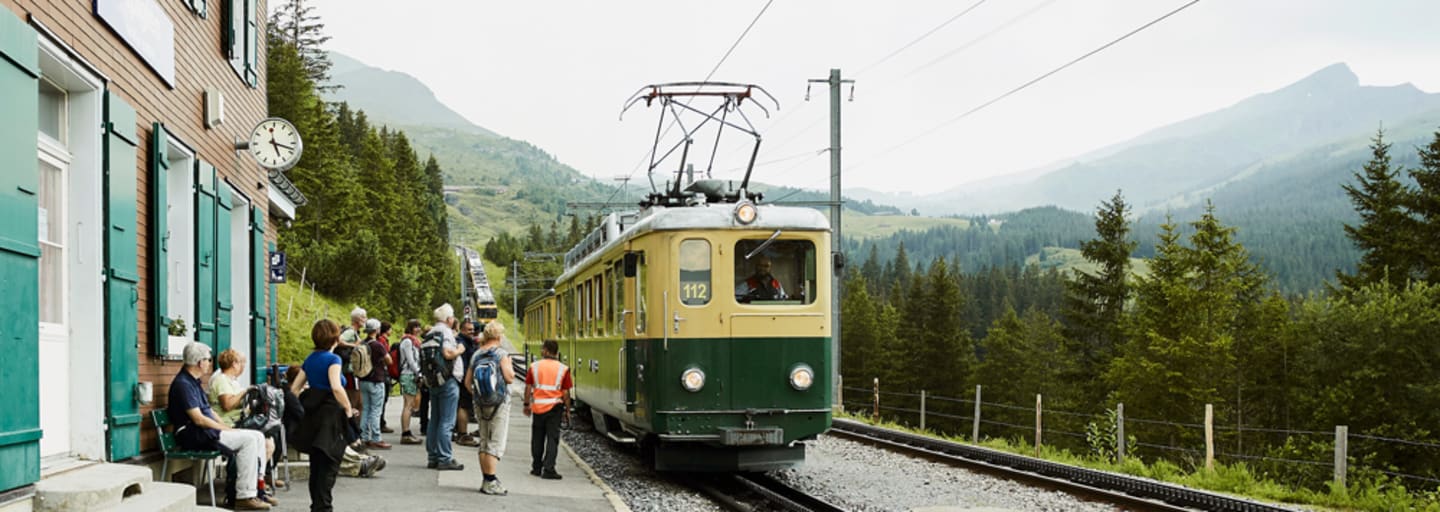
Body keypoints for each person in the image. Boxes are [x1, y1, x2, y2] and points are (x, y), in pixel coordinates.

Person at [168, 342, 272, 510]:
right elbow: (198, 419)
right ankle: (244, 496)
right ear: (200, 362)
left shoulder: (193, 381)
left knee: (258, 436)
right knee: (248, 440)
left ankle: (258, 489)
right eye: (208, 360)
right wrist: (224, 429)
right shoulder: (183, 384)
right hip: (194, 434)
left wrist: (225, 427)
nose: (210, 363)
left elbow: (209, 411)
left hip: (205, 431)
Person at [289, 319, 352, 511]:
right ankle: (324, 507)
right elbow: (336, 387)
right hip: (331, 416)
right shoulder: (333, 359)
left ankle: (316, 505)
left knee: (316, 465)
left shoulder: (310, 359)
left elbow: (294, 389)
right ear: (335, 338)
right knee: (329, 464)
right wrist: (348, 408)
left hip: (312, 415)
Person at [207, 349, 279, 486]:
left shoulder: (232, 381)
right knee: (267, 443)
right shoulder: (222, 380)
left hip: (238, 421)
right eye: (242, 362)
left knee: (271, 433)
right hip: (228, 424)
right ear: (234, 364)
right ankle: (252, 482)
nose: (243, 366)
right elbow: (227, 405)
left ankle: (256, 481)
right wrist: (245, 392)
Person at [465, 321, 516, 495]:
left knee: (484, 441)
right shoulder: (501, 353)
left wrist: (479, 396)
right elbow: (509, 378)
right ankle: (491, 481)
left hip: (480, 404)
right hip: (499, 403)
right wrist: (509, 365)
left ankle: (486, 480)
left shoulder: (477, 354)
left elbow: (467, 383)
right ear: (499, 336)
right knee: (495, 442)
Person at [425, 304, 466, 471]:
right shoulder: (446, 332)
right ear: (449, 319)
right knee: (447, 421)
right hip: (448, 380)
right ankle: (445, 458)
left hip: (434, 380)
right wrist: (460, 349)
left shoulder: (430, 332)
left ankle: (433, 456)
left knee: (435, 419)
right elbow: (448, 353)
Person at [523, 339, 572, 480]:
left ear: (546, 350)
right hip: (555, 407)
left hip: (538, 408)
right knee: (552, 438)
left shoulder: (534, 366)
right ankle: (549, 469)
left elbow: (528, 387)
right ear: (556, 352)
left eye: (542, 349)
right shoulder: (563, 369)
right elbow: (566, 392)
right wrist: (567, 410)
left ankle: (536, 468)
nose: (541, 351)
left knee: (537, 438)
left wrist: (526, 404)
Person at [359, 319, 393, 450]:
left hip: (363, 379)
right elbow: (389, 360)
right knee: (376, 410)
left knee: (366, 409)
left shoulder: (362, 343)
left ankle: (364, 437)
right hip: (376, 379)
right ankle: (376, 438)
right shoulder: (377, 345)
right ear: (377, 330)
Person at [397, 319, 424, 444]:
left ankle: (407, 432)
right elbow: (410, 360)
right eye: (415, 327)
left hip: (410, 374)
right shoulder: (407, 341)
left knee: (410, 404)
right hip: (408, 374)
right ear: (410, 328)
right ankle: (405, 433)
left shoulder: (414, 341)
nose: (418, 329)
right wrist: (418, 373)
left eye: (419, 326)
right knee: (408, 405)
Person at [453, 320, 479, 447]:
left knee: (462, 406)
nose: (472, 332)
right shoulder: (462, 342)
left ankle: (459, 432)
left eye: (473, 329)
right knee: (464, 406)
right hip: (463, 379)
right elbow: (463, 363)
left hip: (463, 378)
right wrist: (467, 380)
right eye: (469, 329)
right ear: (462, 330)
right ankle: (462, 434)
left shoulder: (466, 341)